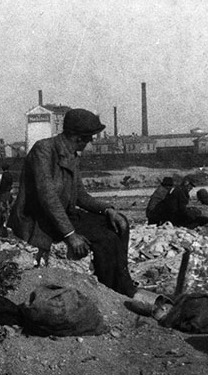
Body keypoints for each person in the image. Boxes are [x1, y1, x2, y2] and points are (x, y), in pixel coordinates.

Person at [8, 108, 136, 296]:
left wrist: (108, 210)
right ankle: (110, 291)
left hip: (60, 216)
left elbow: (81, 196)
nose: (90, 141)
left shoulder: (72, 155)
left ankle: (122, 283)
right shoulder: (43, 150)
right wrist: (71, 235)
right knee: (105, 238)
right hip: (39, 220)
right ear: (77, 137)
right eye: (89, 137)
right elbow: (48, 197)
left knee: (120, 223)